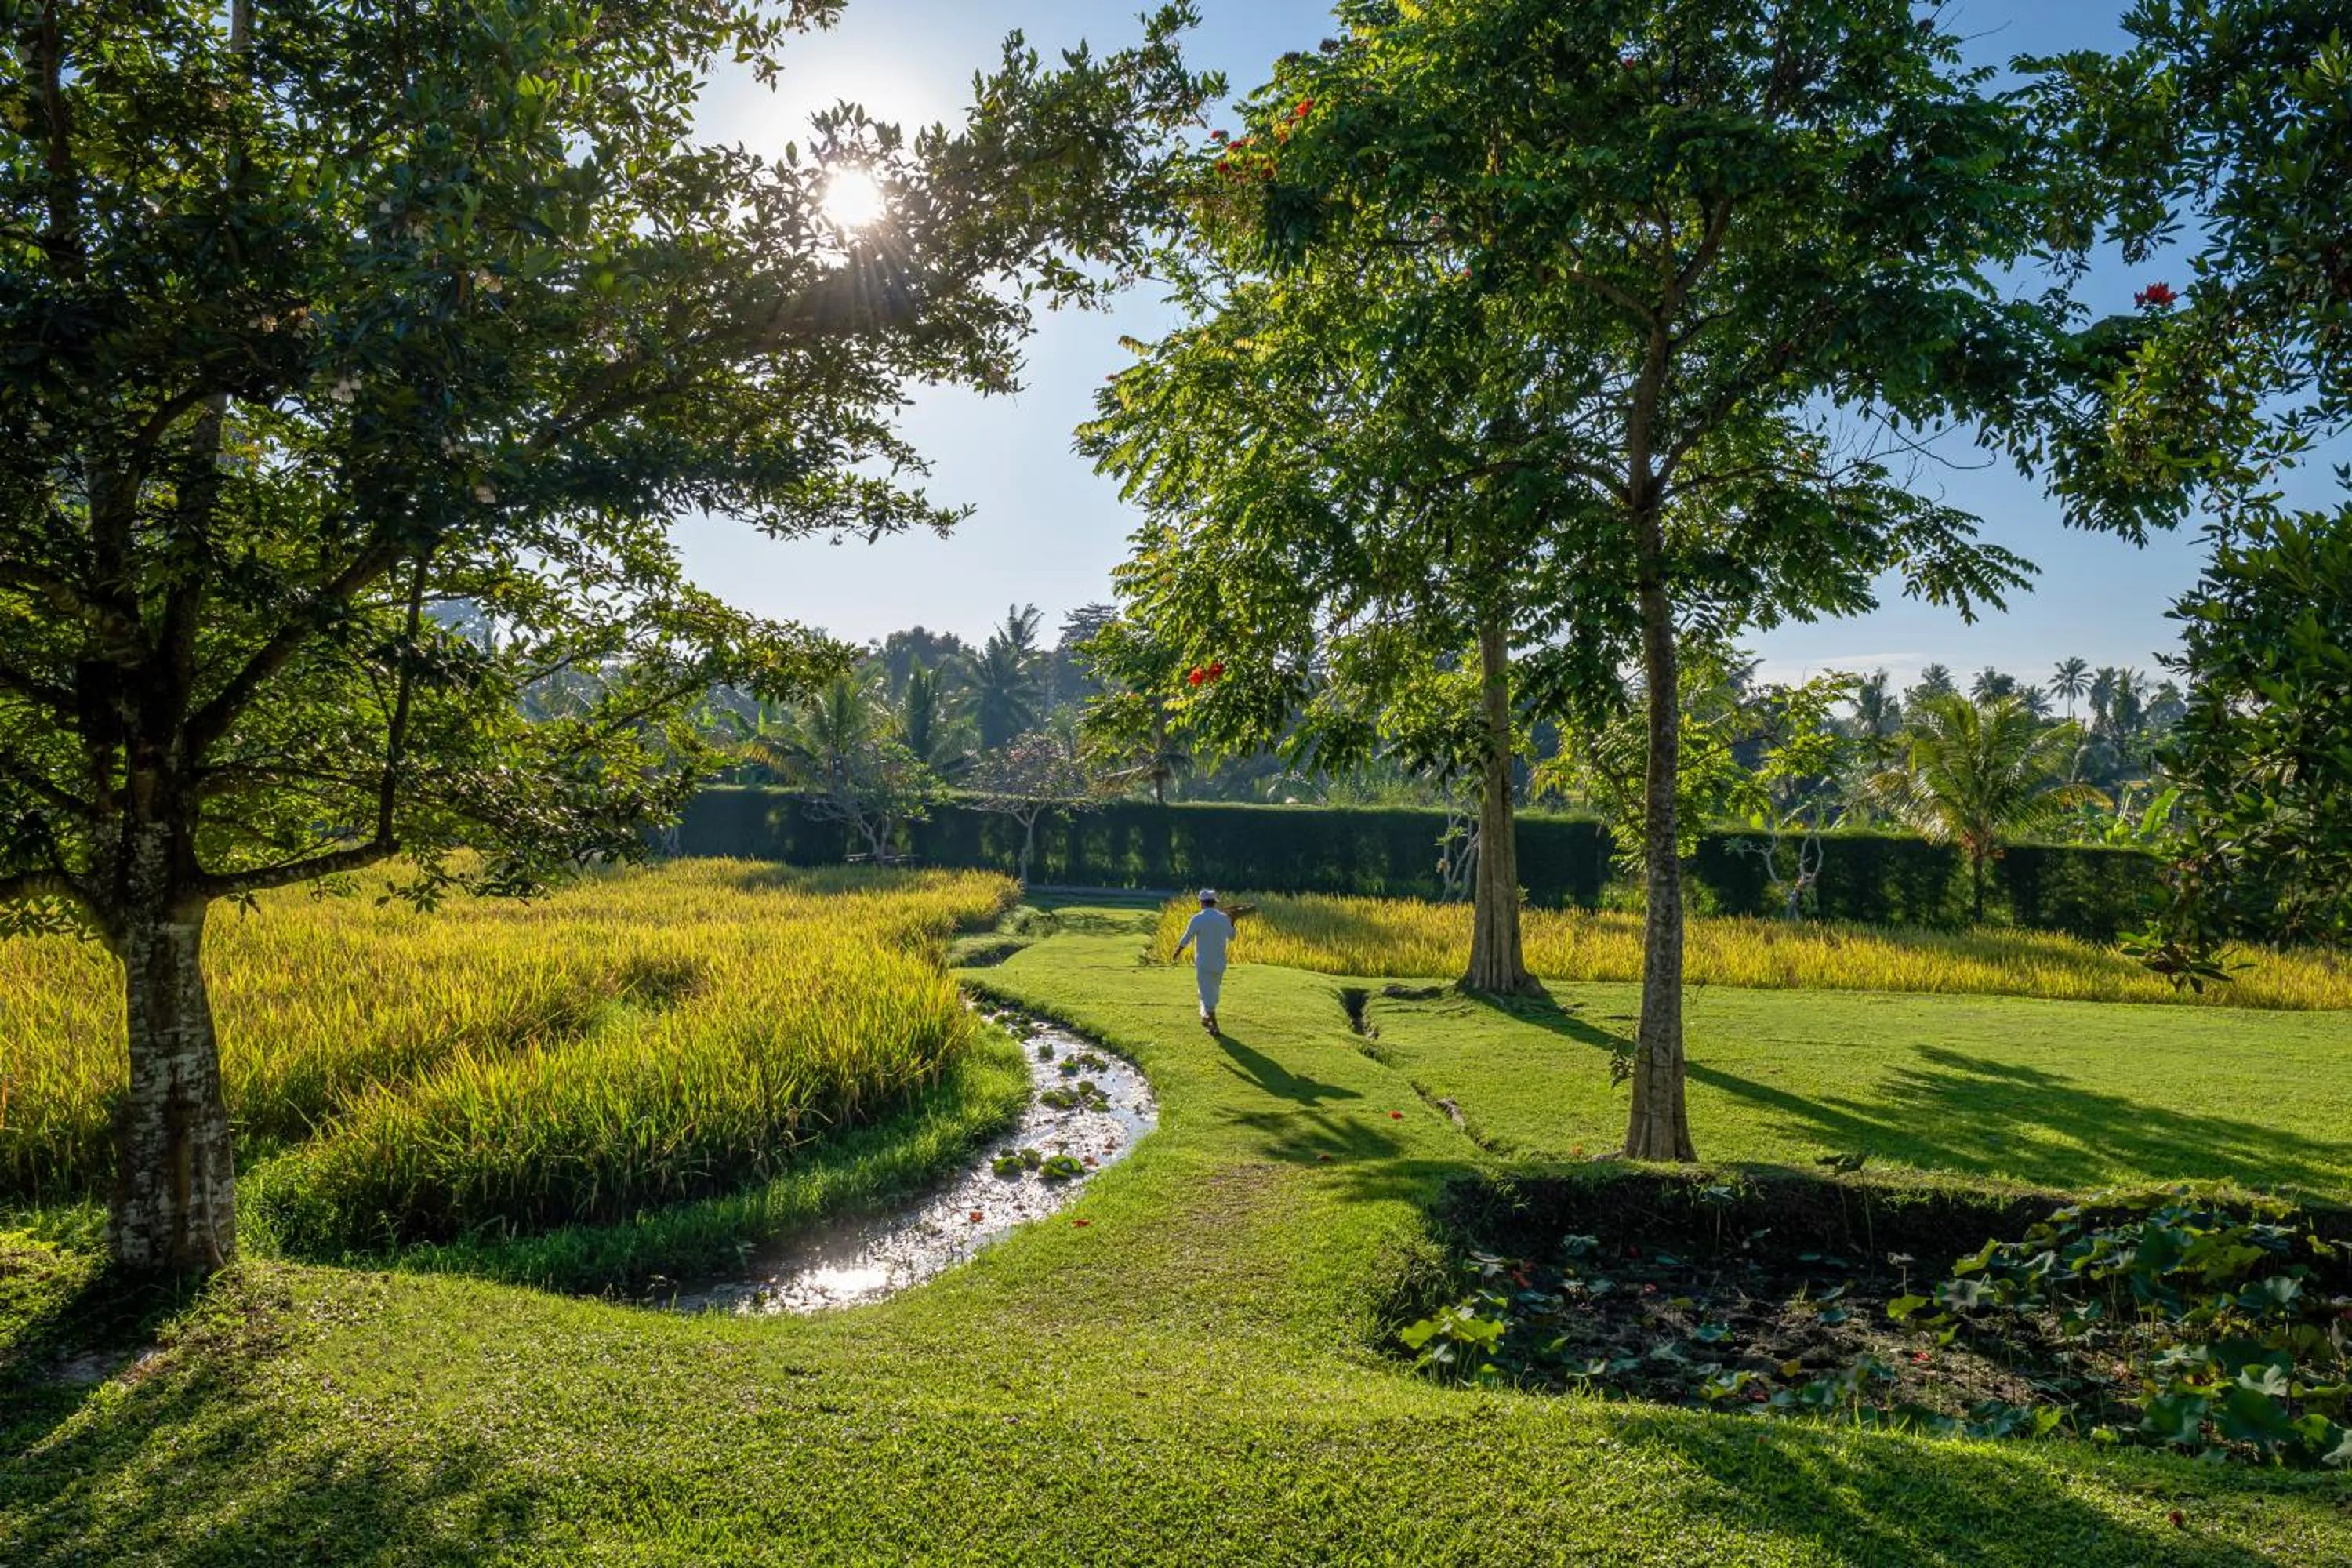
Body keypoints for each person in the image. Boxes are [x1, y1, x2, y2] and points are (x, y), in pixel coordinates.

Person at [1171, 887, 1236, 1034]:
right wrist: (1233, 920)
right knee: (1213, 991)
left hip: (1204, 962)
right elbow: (1232, 937)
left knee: (1206, 993)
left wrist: (1177, 952)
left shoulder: (1198, 918)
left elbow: (1187, 937)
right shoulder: (1223, 918)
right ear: (1214, 902)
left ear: (1201, 902)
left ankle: (1215, 1025)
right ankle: (1206, 1017)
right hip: (1220, 963)